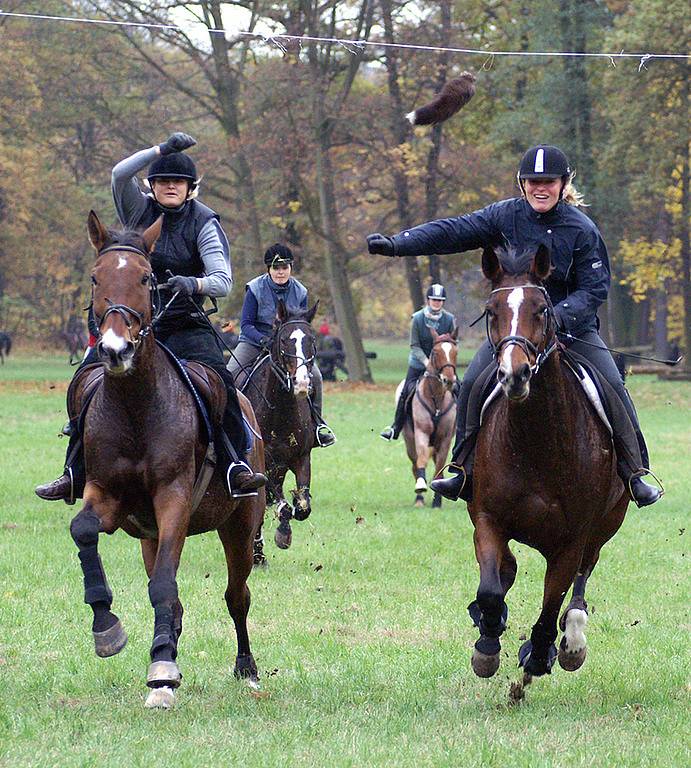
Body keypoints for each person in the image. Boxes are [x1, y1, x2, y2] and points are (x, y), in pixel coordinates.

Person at [367, 144, 661, 507]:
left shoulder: (582, 229)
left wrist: (559, 316)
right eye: (532, 181)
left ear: (563, 183)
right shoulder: (503, 217)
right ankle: (463, 469)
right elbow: (453, 231)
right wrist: (398, 244)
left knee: (613, 384)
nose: (541, 188)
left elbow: (595, 288)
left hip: (571, 330)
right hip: (514, 332)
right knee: (473, 381)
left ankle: (635, 473)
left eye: (549, 181)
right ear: (521, 184)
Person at [35, 131, 266, 502]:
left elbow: (223, 281)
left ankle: (235, 465)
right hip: (132, 326)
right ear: (152, 185)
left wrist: (191, 283)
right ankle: (74, 471)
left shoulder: (204, 222)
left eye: (178, 182)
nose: (170, 186)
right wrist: (160, 150)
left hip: (184, 323)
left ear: (191, 188)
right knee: (85, 379)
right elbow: (118, 174)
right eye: (162, 181)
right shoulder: (136, 208)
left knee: (221, 382)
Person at [227, 244, 335, 447]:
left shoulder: (300, 291)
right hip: (256, 341)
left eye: (284, 268)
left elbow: (301, 325)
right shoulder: (255, 288)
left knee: (317, 377)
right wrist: (263, 341)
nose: (280, 272)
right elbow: (246, 325)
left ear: (290, 268)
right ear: (269, 269)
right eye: (276, 268)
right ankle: (227, 424)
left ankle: (317, 425)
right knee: (229, 374)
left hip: (288, 346)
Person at [380, 284, 457, 441]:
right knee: (405, 392)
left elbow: (454, 342)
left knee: (459, 389)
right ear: (428, 300)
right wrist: (426, 361)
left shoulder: (449, 319)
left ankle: (461, 428)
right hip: (418, 364)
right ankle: (395, 427)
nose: (437, 303)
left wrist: (448, 359)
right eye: (434, 300)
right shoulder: (418, 319)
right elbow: (414, 345)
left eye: (440, 300)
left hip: (442, 366)